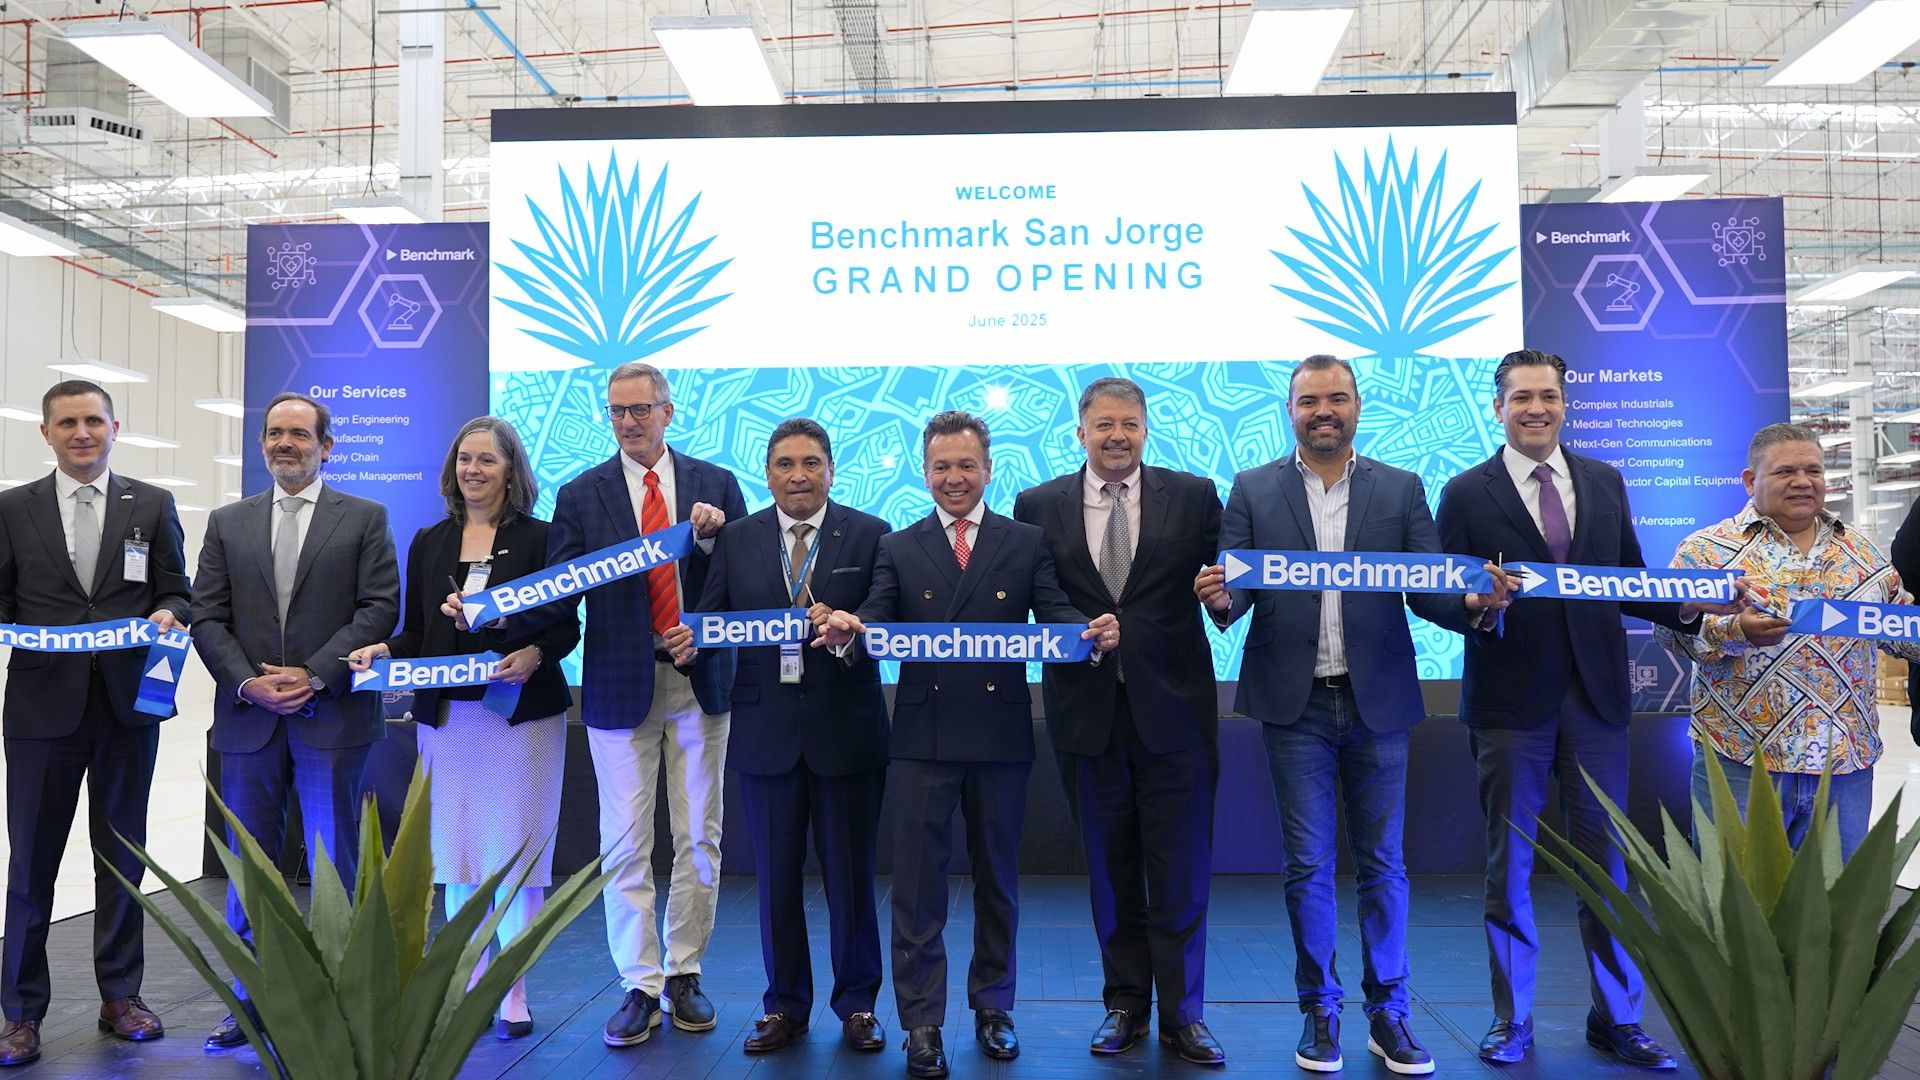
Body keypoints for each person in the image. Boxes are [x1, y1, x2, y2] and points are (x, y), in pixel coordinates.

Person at [1194, 356, 1507, 1076]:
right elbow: (1237, 592)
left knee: (1384, 866)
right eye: (1309, 400)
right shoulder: (1251, 488)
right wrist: (1219, 598)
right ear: (1290, 410)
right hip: (1293, 703)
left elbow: (1428, 587)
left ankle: (1389, 1014)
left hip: (1380, 701)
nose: (1323, 410)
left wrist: (1472, 602)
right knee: (1307, 866)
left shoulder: (1400, 488)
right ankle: (1320, 1012)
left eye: (1336, 397)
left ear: (1358, 406)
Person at [1435, 348, 1734, 1070]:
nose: (1536, 408)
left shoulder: (1603, 480)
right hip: (1509, 704)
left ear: (1565, 404)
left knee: (1608, 866)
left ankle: (1618, 1019)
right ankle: (1513, 1020)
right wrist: (1474, 603)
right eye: (1521, 397)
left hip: (1597, 701)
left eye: (1548, 396)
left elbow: (1626, 578)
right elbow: (1437, 592)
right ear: (1498, 408)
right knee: (1510, 865)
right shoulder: (1465, 492)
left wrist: (1692, 607)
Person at [815, 410, 1119, 1080]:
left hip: (1000, 734)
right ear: (924, 472)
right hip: (921, 737)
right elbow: (877, 613)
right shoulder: (899, 545)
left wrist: (1089, 633)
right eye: (941, 466)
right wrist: (848, 629)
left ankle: (994, 1008)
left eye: (966, 465)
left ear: (988, 469)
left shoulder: (1025, 541)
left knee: (998, 882)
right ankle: (922, 1023)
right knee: (916, 889)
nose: (954, 478)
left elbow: (1056, 613)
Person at [1011, 378, 1227, 1066]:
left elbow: (1226, 590)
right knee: (1110, 869)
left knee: (1181, 870)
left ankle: (1185, 1015)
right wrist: (1080, 630)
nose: (1117, 436)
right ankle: (1126, 1004)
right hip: (1086, 716)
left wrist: (1227, 599)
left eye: (1129, 423)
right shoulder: (1037, 504)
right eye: (1103, 424)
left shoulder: (1193, 496)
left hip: (1177, 716)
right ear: (1081, 433)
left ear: (1145, 430)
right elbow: (1038, 598)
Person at [346, 416, 579, 1039]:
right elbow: (418, 633)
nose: (473, 470)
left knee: (517, 854)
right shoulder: (430, 540)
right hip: (448, 721)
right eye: (464, 459)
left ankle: (512, 991)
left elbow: (565, 625)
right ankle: (470, 986)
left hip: (520, 715)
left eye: (487, 460)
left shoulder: (543, 538)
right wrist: (384, 652)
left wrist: (533, 652)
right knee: (460, 853)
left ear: (511, 470)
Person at [191, 391, 400, 1051]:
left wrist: (312, 673)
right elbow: (206, 616)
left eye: (300, 434)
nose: (286, 443)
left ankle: (342, 996)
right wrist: (248, 682)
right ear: (263, 444)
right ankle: (255, 998)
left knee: (336, 862)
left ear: (326, 446)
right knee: (250, 866)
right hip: (248, 717)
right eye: (275, 433)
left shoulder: (364, 518)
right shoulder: (227, 523)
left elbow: (380, 608)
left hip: (331, 714)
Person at [547, 361, 745, 1047]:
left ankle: (685, 971)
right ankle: (640, 982)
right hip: (617, 686)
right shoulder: (580, 494)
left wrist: (712, 547)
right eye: (616, 411)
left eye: (639, 409)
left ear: (668, 411)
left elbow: (739, 581)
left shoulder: (717, 485)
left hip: (700, 681)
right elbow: (560, 594)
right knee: (626, 843)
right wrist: (495, 621)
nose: (628, 422)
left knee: (700, 838)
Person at [0, 381, 191, 1067]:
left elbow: (179, 591)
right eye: (67, 423)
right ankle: (20, 1013)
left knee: (122, 858)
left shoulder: (153, 504)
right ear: (46, 432)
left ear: (115, 427)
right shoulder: (11, 508)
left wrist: (171, 612)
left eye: (93, 421)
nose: (82, 433)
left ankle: (121, 997)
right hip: (39, 711)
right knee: (31, 864)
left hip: (126, 706)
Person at [693, 418, 890, 1056]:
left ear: (831, 470)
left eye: (810, 463)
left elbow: (884, 617)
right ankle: (784, 1005)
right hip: (765, 733)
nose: (798, 476)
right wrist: (689, 641)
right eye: (784, 464)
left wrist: (851, 629)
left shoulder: (870, 533)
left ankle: (858, 1004)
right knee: (775, 881)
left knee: (851, 879)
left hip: (847, 731)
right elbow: (713, 620)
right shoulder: (737, 539)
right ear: (767, 473)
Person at [1655, 423, 1918, 858]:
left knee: (1835, 898)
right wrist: (1736, 632)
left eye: (1813, 470)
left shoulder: (1862, 553)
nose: (1802, 481)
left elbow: (1902, 629)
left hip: (1844, 764)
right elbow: (1670, 633)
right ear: (1750, 480)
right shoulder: (1705, 551)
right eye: (1785, 472)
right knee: (1735, 897)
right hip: (1742, 761)